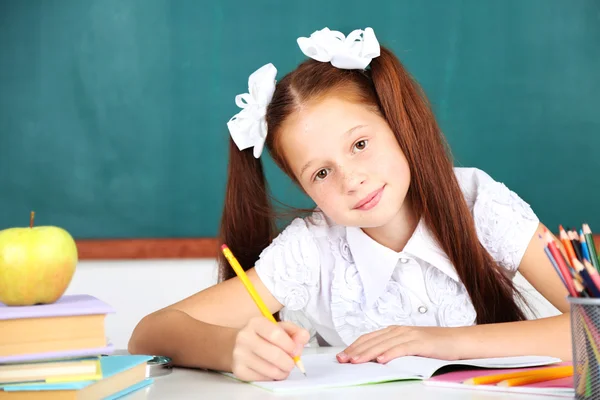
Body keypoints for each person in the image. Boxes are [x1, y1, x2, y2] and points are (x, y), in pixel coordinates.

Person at [128, 27, 570, 382]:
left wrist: (435, 341)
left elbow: (596, 327)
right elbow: (150, 333)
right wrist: (231, 349)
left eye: (360, 143)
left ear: (397, 123)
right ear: (306, 190)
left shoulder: (478, 202)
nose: (351, 180)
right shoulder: (312, 250)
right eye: (321, 173)